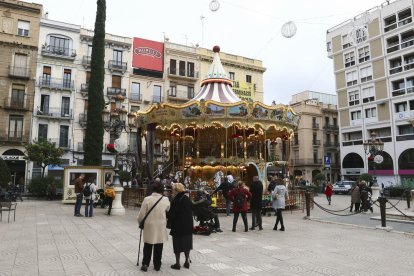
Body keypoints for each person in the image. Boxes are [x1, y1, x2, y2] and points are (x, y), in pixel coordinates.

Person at [137, 181, 170, 272]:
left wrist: (140, 222)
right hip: (160, 225)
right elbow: (168, 210)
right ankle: (157, 264)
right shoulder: (166, 200)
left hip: (149, 225)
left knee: (148, 244)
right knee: (159, 245)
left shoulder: (147, 199)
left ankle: (145, 263)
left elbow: (141, 215)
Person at [167, 183, 193, 270]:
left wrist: (166, 214)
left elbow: (172, 214)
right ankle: (186, 261)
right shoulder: (186, 198)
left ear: (176, 191)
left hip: (178, 225)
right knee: (187, 243)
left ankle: (177, 263)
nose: (172, 192)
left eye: (173, 190)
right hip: (188, 225)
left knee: (177, 244)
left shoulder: (176, 200)